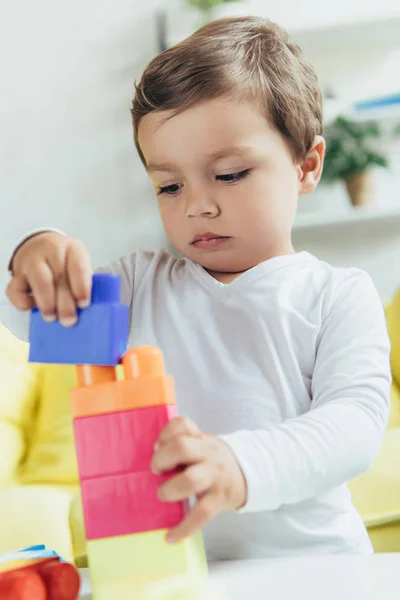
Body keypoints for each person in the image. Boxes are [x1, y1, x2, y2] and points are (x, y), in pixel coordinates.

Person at [0, 16, 391, 560]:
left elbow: (353, 425)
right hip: (178, 575)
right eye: (169, 185)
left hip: (317, 568)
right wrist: (35, 254)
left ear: (307, 165)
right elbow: (36, 323)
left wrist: (239, 464)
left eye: (229, 174)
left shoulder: (338, 295)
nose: (196, 205)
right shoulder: (139, 286)